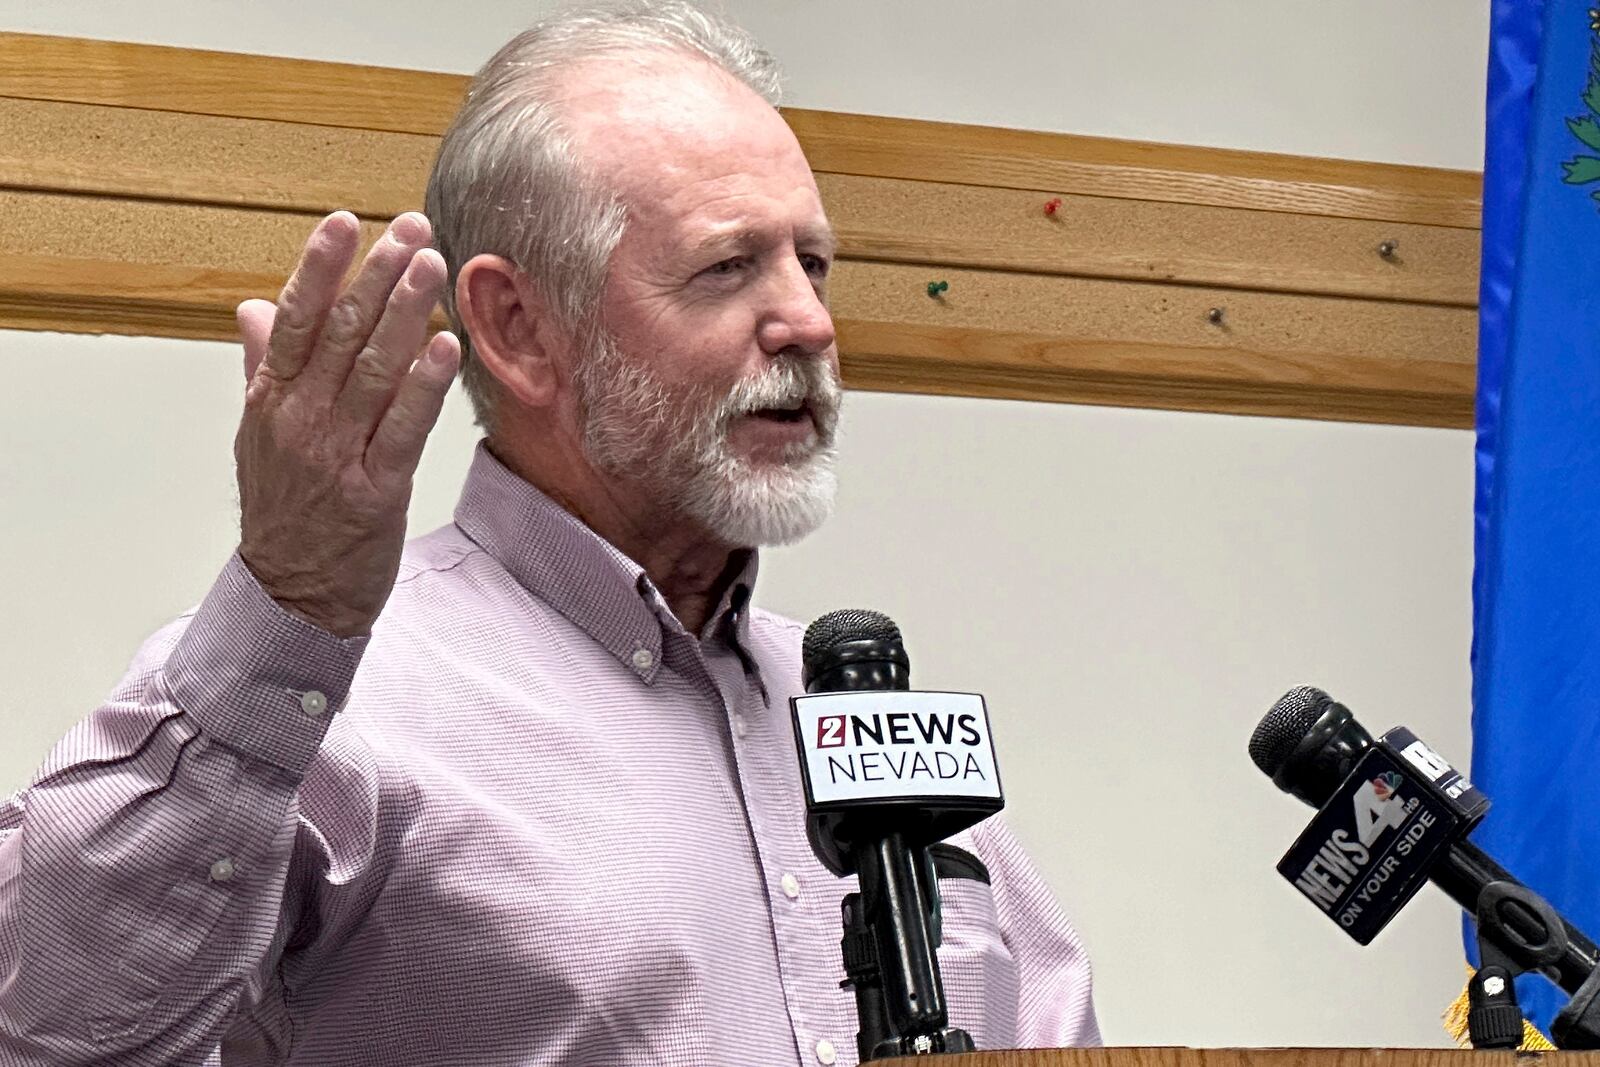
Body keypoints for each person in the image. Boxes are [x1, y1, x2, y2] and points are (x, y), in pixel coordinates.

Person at [0, 3, 1100, 1064]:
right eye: (728, 265)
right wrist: (292, 600)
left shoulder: (868, 722)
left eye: (810, 263)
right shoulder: (327, 702)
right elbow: (46, 1028)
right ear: (522, 328)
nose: (809, 321)